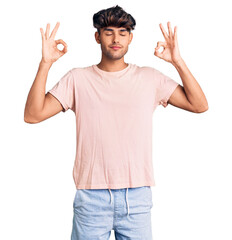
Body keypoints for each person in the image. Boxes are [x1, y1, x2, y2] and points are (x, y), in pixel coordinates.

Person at [24, 5, 208, 240]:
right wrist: (46, 63)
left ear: (131, 38)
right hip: (91, 198)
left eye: (123, 32)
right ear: (97, 36)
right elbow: (32, 115)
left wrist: (178, 61)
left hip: (137, 198)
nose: (115, 38)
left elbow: (199, 105)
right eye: (108, 31)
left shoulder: (149, 77)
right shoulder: (77, 79)